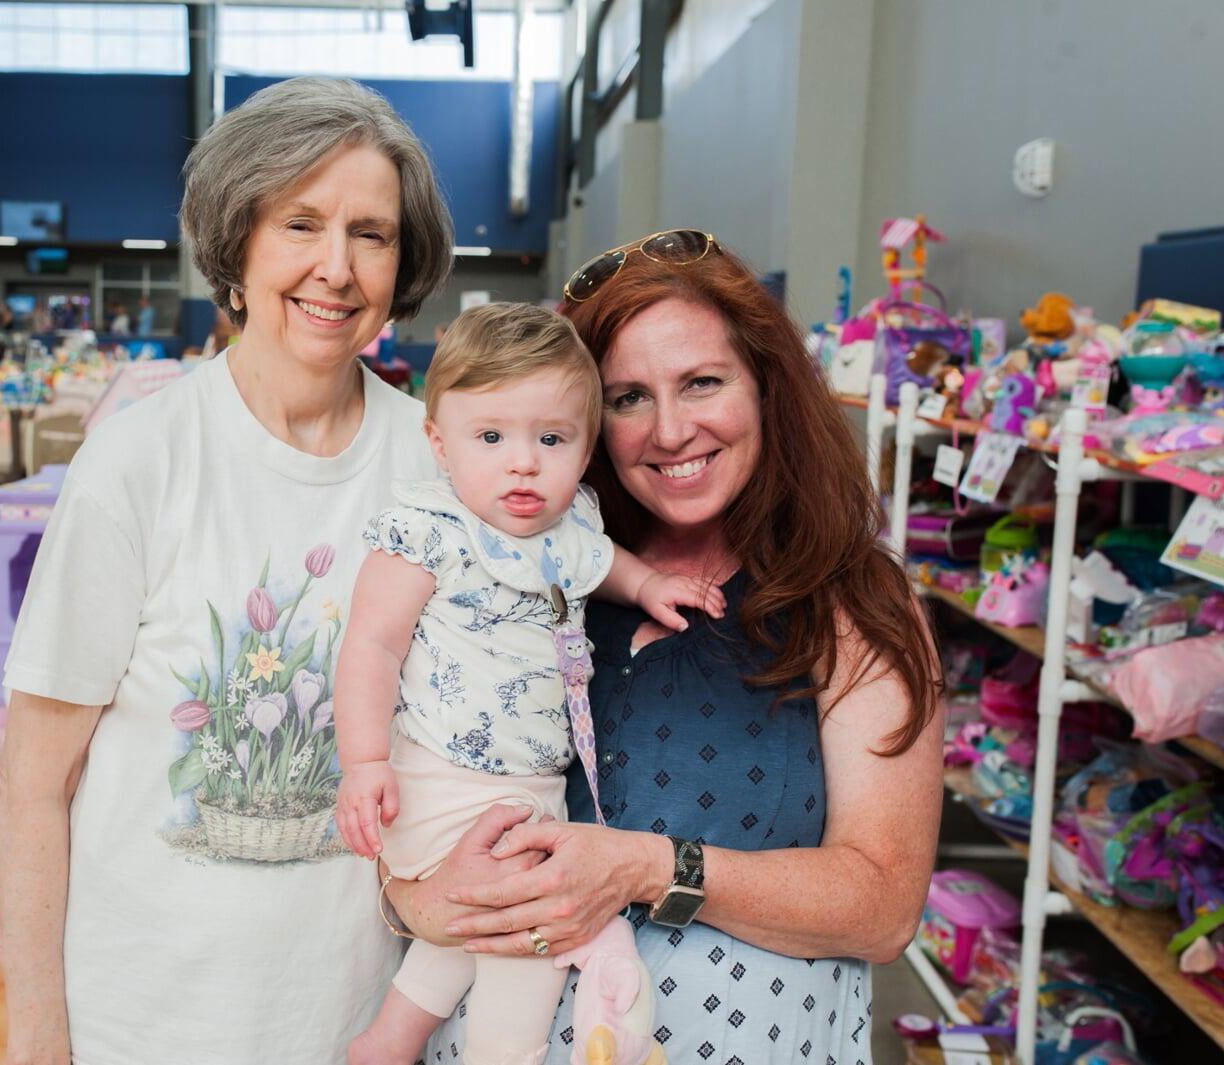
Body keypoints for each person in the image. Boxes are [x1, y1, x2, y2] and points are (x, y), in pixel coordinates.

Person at [381, 230, 944, 1064]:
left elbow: (885, 905)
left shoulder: (851, 602)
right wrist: (419, 903)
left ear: (767, 389)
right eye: (628, 397)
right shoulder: (521, 572)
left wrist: (649, 868)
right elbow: (411, 792)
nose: (670, 430)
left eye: (703, 383)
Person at [0, 76, 455, 1065]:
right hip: (146, 1024)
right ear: (237, 243)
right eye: (301, 223)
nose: (335, 267)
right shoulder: (140, 461)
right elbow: (32, 788)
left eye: (370, 234)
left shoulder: (430, 467)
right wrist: (37, 1042)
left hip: (358, 1022)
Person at [335, 302, 723, 1065]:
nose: (523, 462)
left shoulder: (569, 528)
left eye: (551, 439)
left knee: (476, 922)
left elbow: (604, 564)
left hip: (531, 785)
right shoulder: (429, 531)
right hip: (439, 779)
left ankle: (389, 1040)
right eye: (491, 437)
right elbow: (371, 647)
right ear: (438, 442)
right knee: (527, 932)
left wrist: (648, 587)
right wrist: (363, 762)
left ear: (584, 453)